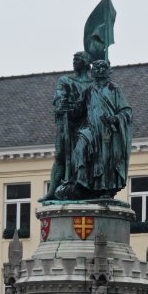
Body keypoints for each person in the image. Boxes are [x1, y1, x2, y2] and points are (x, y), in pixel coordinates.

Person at [71, 59, 132, 200]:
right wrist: (67, 110)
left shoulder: (113, 88)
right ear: (92, 71)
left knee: (105, 159)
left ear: (108, 71)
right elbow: (78, 110)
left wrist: (116, 118)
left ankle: (105, 188)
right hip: (90, 129)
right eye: (96, 68)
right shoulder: (88, 90)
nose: (98, 71)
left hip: (107, 130)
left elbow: (126, 111)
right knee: (80, 148)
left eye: (102, 68)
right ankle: (82, 182)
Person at [39, 51, 92, 202]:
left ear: (86, 62)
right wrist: (61, 102)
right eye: (74, 59)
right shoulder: (65, 80)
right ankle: (52, 190)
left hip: (86, 125)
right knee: (60, 155)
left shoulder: (93, 84)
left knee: (84, 156)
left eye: (78, 59)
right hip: (67, 123)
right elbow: (59, 96)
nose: (74, 61)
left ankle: (84, 186)